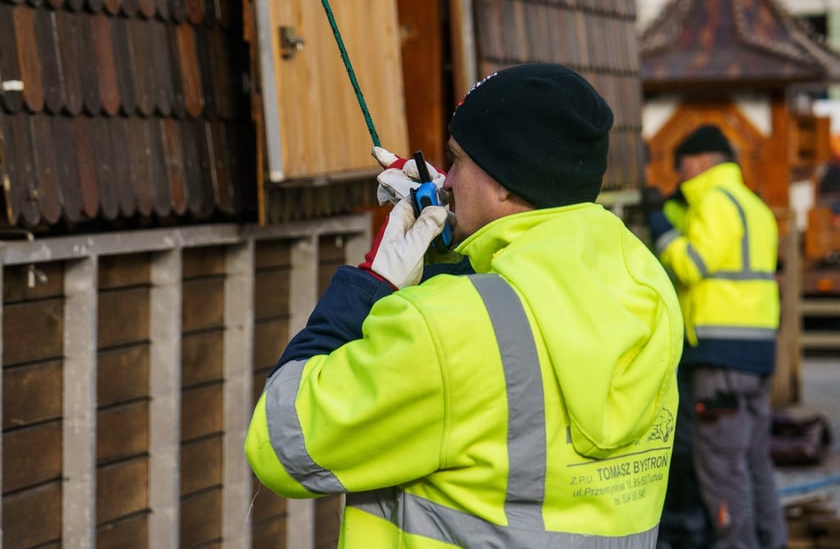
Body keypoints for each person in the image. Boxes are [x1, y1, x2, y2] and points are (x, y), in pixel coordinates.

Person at [245, 63, 684, 548]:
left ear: (504, 182)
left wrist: (373, 280)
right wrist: (447, 246)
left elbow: (284, 443)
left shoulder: (448, 328)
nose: (447, 182)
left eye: (456, 161)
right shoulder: (647, 287)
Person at [647, 125, 788, 549]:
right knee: (753, 461)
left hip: (718, 354)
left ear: (703, 162)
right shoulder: (753, 205)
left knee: (721, 467)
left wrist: (659, 225)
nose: (679, 175)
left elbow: (692, 264)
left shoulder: (714, 201)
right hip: (757, 351)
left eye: (683, 165)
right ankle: (771, 540)